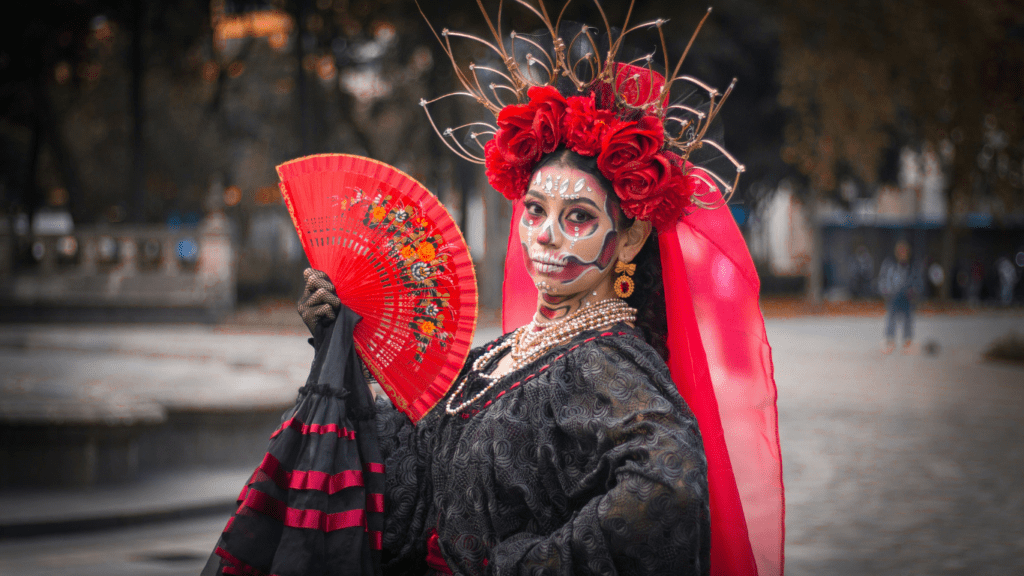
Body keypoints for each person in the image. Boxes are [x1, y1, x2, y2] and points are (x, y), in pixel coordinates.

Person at [205, 7, 783, 576]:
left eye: (578, 217)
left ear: (629, 239)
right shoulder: (494, 358)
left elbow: (670, 491)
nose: (545, 236)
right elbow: (404, 472)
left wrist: (521, 563)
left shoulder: (610, 366)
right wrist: (338, 349)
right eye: (535, 210)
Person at [878, 240, 924, 354]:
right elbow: (883, 279)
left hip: (907, 296)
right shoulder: (889, 264)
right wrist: (885, 291)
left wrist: (914, 291)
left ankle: (907, 342)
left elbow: (918, 281)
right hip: (893, 295)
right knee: (891, 318)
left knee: (908, 319)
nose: (902, 253)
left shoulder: (913, 266)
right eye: (900, 251)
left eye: (904, 251)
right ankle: (890, 341)